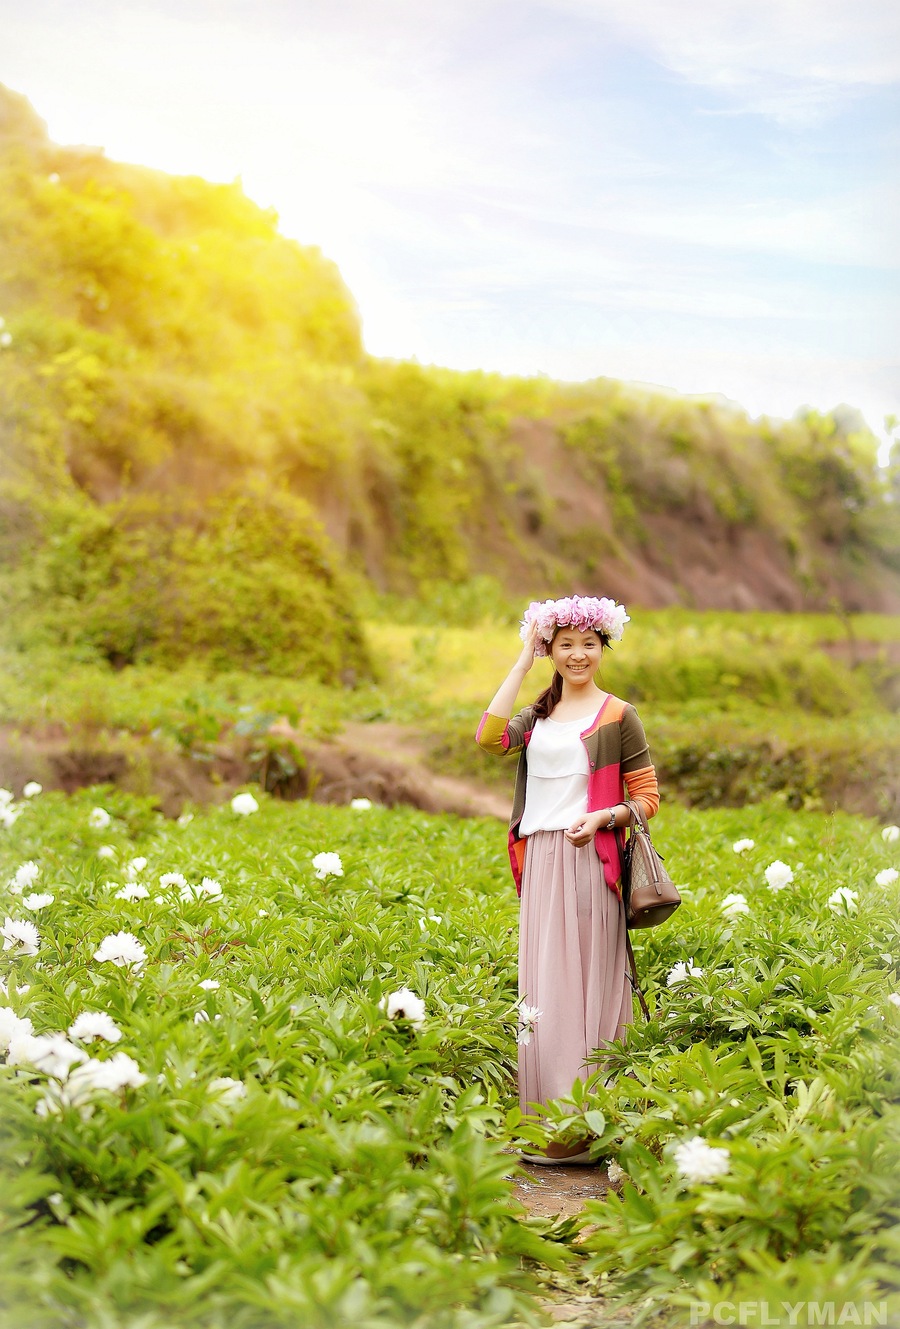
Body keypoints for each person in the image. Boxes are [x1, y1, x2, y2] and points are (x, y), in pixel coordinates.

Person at [475, 595, 659, 1163]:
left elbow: (647, 799)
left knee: (588, 985)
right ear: (550, 651)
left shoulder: (617, 715)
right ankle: (550, 1129)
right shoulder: (537, 716)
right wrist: (519, 663)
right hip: (542, 861)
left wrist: (604, 817)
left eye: (588, 645)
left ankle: (589, 1123)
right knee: (546, 989)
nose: (578, 655)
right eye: (565, 646)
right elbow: (488, 737)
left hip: (590, 857)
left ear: (603, 649)